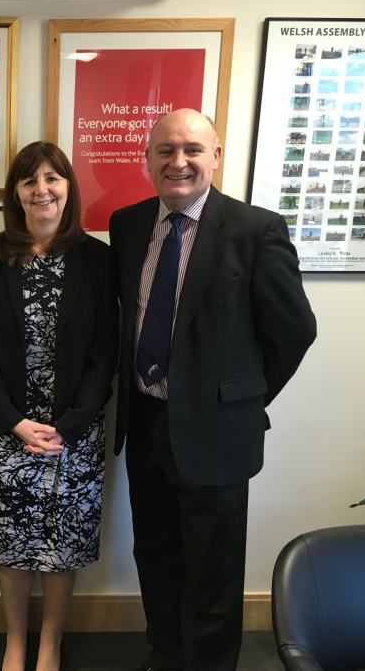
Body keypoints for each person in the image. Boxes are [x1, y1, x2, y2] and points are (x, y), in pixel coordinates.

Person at [108, 108, 317, 671]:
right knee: (155, 552)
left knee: (213, 566)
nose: (179, 162)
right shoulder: (127, 226)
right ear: (147, 159)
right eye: (166, 150)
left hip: (219, 432)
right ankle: (167, 651)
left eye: (193, 150)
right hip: (148, 422)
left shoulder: (255, 230)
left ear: (215, 156)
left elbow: (295, 329)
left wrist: (241, 399)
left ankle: (208, 665)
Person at [0, 141, 116, 671]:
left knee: (63, 542)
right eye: (30, 180)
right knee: (14, 540)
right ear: (16, 193)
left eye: (53, 178)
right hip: (10, 427)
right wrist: (12, 420)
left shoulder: (96, 258)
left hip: (76, 432)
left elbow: (105, 348)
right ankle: (14, 641)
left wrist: (71, 424)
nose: (41, 189)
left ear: (68, 188)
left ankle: (50, 642)